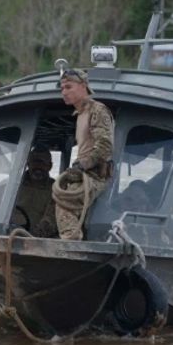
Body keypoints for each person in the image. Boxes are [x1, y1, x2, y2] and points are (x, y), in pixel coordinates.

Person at [52, 67, 113, 240]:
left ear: (83, 85)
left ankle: (71, 245)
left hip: (94, 176)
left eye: (69, 87)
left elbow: (105, 146)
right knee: (60, 193)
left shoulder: (97, 110)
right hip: (84, 174)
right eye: (62, 88)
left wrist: (83, 165)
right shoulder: (80, 114)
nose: (64, 92)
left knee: (65, 201)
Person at [11, 145, 58, 238]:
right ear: (28, 164)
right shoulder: (12, 185)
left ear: (50, 166)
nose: (38, 166)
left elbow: (52, 218)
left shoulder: (57, 190)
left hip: (40, 241)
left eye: (42, 163)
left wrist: (36, 236)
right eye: (34, 162)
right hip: (10, 235)